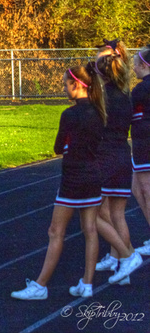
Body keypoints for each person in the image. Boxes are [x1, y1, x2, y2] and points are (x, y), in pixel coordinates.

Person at [11, 63, 142, 302]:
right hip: (94, 176)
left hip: (73, 177)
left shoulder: (69, 114)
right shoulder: (100, 111)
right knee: (90, 229)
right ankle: (87, 284)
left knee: (55, 231)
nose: (63, 88)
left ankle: (40, 286)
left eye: (65, 84)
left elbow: (58, 147)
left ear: (76, 85)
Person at [93, 40, 135, 280]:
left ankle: (127, 255)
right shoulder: (125, 94)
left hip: (105, 157)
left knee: (94, 212)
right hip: (122, 155)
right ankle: (123, 267)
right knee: (118, 215)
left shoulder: (102, 98)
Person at [131, 43, 150, 257]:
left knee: (146, 190)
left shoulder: (142, 89)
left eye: (135, 65)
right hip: (140, 144)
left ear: (144, 65)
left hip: (146, 145)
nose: (133, 69)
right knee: (137, 189)